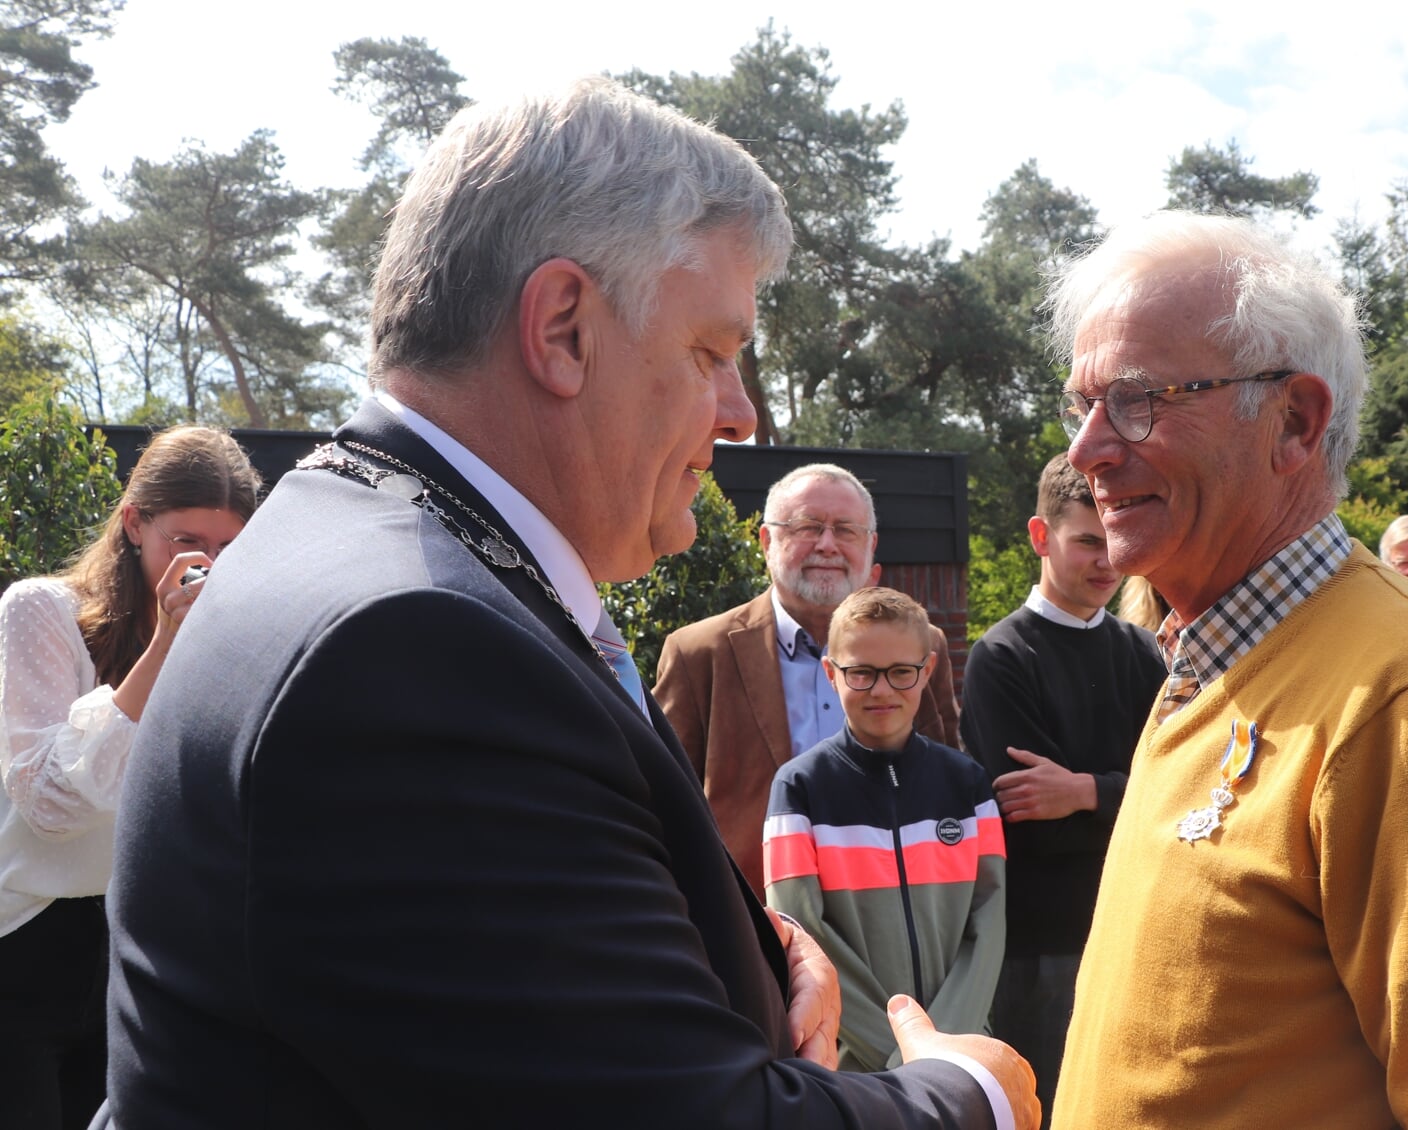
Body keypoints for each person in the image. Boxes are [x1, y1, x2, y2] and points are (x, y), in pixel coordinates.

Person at [105, 78, 1036, 1130]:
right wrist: (969, 1093)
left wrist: (749, 958)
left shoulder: (366, 543)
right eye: (712, 354)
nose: (741, 414)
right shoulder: (415, 648)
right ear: (562, 329)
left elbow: (495, 958)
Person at [1046, 210, 1408, 1129]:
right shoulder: (1211, 659)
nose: (1087, 449)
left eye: (1136, 399)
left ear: (1294, 421)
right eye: (1081, 405)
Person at [0, 426, 257, 1130]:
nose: (208, 563)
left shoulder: (229, 635)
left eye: (231, 547)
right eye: (187, 540)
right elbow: (48, 804)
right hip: (20, 939)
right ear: (134, 521)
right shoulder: (40, 610)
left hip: (134, 937)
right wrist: (167, 647)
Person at [958, 453, 1163, 1121]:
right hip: (1039, 948)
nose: (1107, 562)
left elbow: (1182, 795)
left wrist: (1083, 792)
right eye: (1086, 542)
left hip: (1136, 927)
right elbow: (1032, 822)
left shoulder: (1143, 654)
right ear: (1041, 537)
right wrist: (1125, 794)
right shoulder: (1001, 658)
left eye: (1114, 543)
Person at [655, 463, 961, 898]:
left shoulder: (924, 646)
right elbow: (663, 800)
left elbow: (945, 780)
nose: (827, 545)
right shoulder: (698, 653)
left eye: (846, 530)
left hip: (895, 910)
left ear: (871, 546)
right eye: (807, 527)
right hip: (754, 920)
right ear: (766, 541)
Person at [765, 587, 1005, 1074]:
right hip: (856, 1065)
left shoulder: (967, 783)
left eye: (901, 672)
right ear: (832, 673)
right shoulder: (798, 788)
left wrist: (941, 1049)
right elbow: (803, 932)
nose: (881, 690)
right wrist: (904, 1061)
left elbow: (988, 922)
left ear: (929, 671)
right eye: (861, 673)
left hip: (959, 1053)